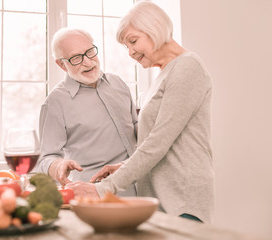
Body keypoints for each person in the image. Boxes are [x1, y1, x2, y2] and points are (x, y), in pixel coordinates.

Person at [65, 1, 214, 223]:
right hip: (160, 198)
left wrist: (102, 189)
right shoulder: (164, 73)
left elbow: (158, 142)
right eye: (126, 46)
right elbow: (162, 142)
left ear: (155, 28)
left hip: (181, 200)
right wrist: (124, 167)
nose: (131, 52)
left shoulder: (188, 67)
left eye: (133, 41)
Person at [34, 28, 138, 197]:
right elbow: (45, 159)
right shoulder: (55, 103)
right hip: (95, 198)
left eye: (90, 52)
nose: (88, 62)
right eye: (76, 58)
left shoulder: (118, 83)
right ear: (61, 64)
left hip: (143, 192)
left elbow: (136, 126)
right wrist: (58, 165)